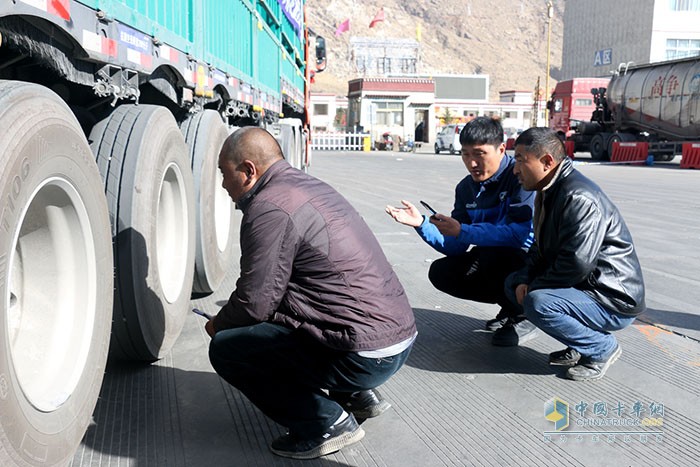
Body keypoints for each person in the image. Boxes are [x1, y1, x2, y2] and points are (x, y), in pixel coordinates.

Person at [206, 127, 417, 459]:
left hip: (364, 353)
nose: (222, 184)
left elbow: (254, 303)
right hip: (396, 338)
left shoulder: (269, 207)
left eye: (224, 173)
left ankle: (327, 422)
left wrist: (219, 323)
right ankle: (356, 395)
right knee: (296, 312)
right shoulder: (307, 186)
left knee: (227, 348)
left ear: (248, 171)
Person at [507, 127, 645, 381]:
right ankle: (579, 344)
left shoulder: (577, 196)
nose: (515, 169)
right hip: (585, 288)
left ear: (547, 161)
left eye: (520, 160)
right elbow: (540, 246)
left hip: (612, 298)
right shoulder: (548, 190)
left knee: (539, 302)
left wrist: (534, 287)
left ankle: (602, 349)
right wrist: (524, 279)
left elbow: (576, 264)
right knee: (513, 282)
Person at [385, 116, 536, 346]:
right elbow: (456, 245)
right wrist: (422, 224)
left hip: (529, 261)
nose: (472, 163)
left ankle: (526, 313)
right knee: (442, 272)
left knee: (494, 256)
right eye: (465, 154)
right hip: (493, 258)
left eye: (479, 154)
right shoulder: (466, 188)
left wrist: (464, 230)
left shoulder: (519, 178)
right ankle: (509, 306)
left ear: (501, 149)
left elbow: (518, 235)